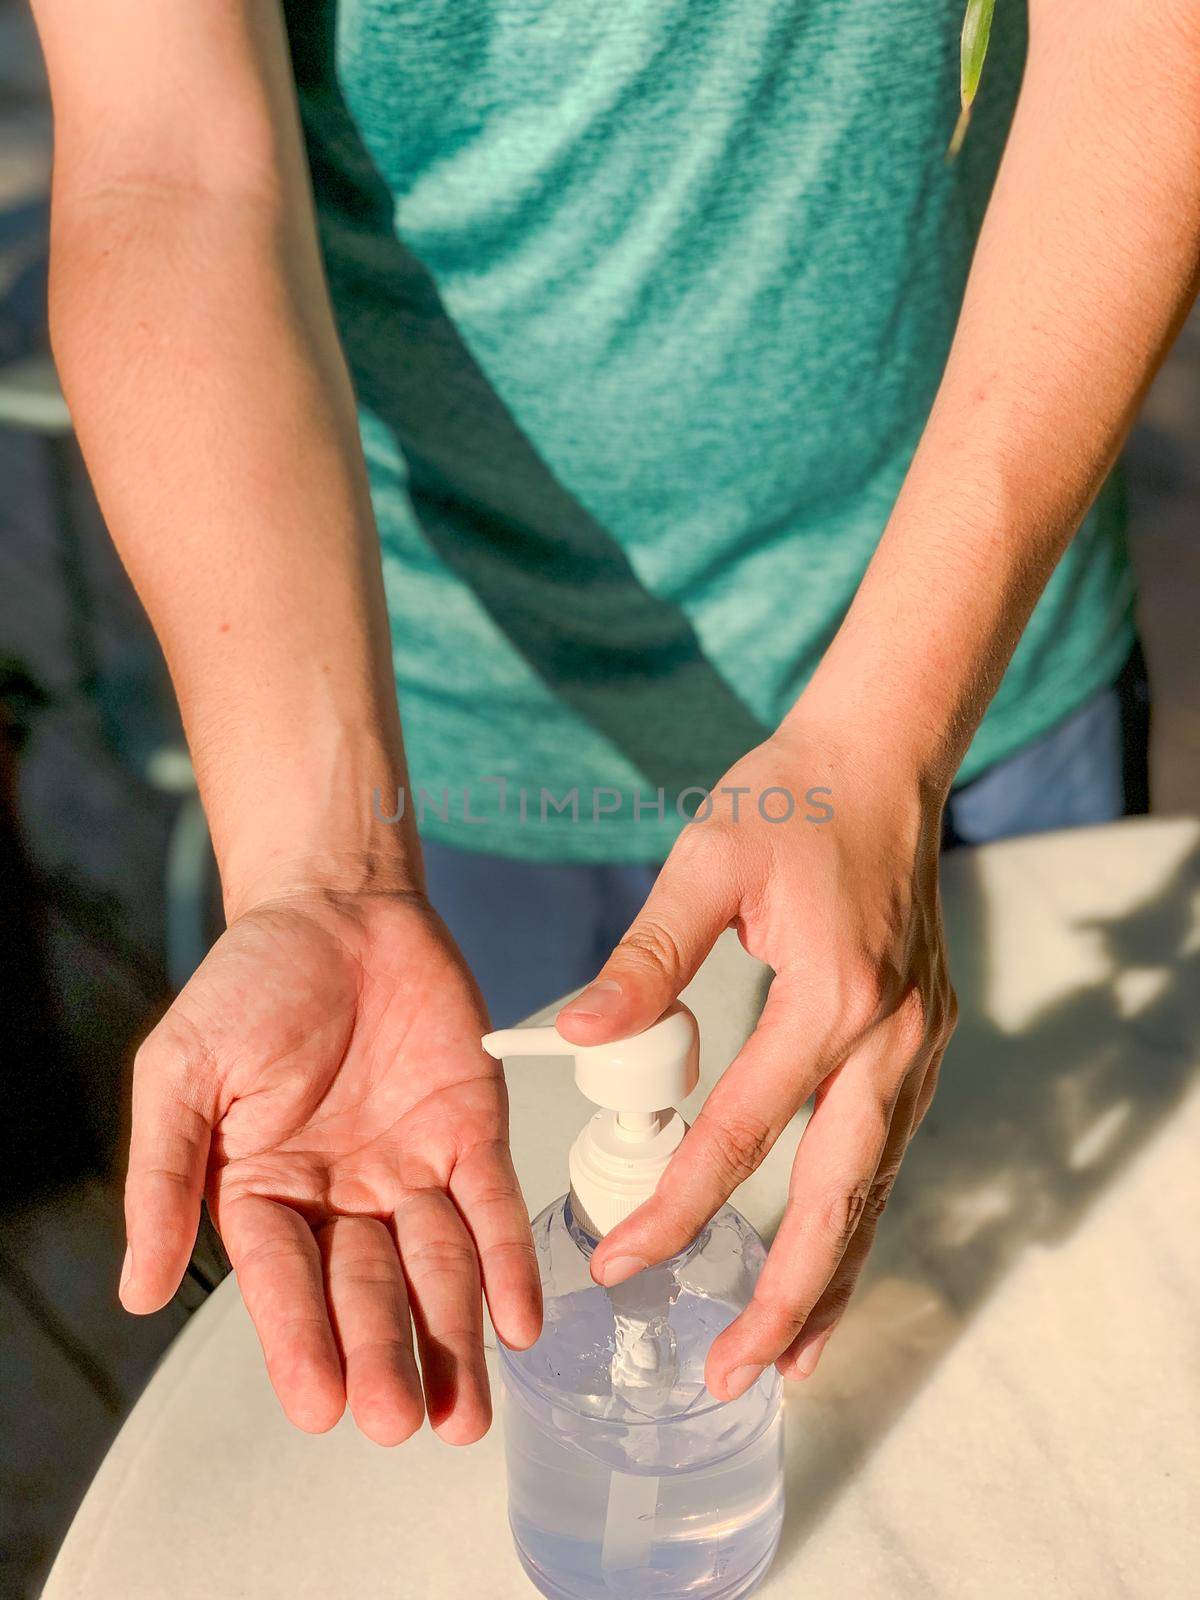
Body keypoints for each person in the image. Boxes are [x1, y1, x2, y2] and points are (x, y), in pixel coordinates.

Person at [30, 0, 1196, 1448]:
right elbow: (167, 164)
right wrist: (323, 867)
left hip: (969, 655)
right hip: (432, 747)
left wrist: (891, 730)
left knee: (1038, 1340)